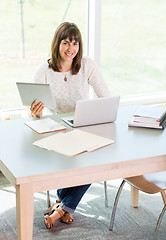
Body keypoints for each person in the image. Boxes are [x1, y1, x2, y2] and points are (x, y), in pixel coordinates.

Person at [30, 22, 111, 229]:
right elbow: (34, 116)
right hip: (55, 130)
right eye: (66, 42)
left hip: (82, 127)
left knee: (94, 163)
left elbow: (106, 97)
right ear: (57, 44)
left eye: (75, 44)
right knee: (76, 161)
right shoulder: (43, 71)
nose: (71, 49)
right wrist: (35, 113)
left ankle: (62, 207)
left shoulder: (86, 65)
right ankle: (65, 207)